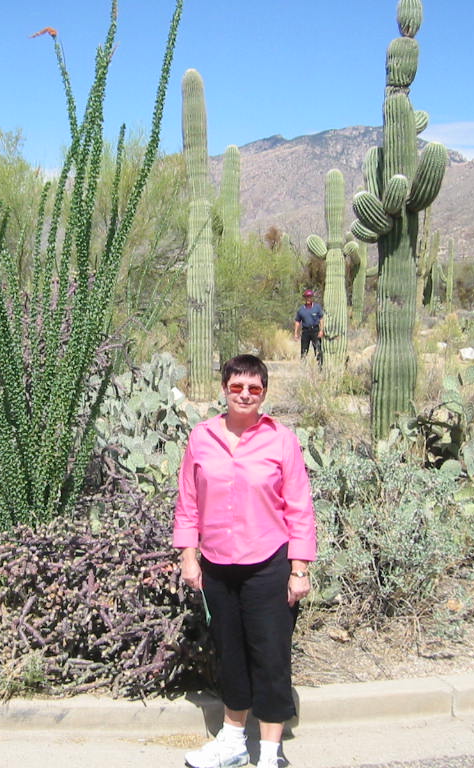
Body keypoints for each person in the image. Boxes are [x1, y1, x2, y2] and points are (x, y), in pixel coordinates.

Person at [174, 354, 317, 768]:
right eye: (237, 387)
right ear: (224, 389)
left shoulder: (280, 439)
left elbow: (300, 508)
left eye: (254, 388)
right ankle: (233, 742)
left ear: (264, 393)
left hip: (268, 566)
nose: (245, 395)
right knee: (230, 655)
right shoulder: (201, 438)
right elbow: (187, 503)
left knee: (270, 656)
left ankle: (271, 753)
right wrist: (189, 556)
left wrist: (299, 568)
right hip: (217, 567)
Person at [293, 290, 324, 368]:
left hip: (315, 331)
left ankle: (320, 368)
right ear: (305, 298)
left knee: (318, 350)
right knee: (304, 351)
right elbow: (297, 321)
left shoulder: (317, 307)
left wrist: (321, 330)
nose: (308, 299)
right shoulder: (301, 310)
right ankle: (303, 368)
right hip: (305, 331)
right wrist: (296, 333)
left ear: (312, 298)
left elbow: (321, 319)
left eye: (309, 297)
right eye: (306, 297)